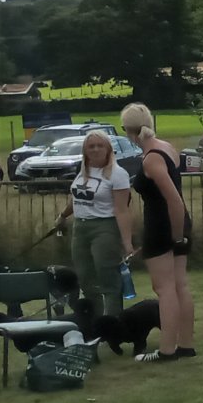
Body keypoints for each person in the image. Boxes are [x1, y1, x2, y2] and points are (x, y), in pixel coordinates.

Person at [121, 104, 195, 362]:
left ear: (127, 130)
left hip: (163, 226)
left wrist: (175, 236)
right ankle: (185, 344)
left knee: (164, 289)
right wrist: (181, 232)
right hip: (178, 223)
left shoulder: (151, 157)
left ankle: (167, 350)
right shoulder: (167, 147)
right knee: (179, 286)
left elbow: (173, 200)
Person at [62, 130, 134, 321]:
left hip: (105, 228)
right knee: (85, 278)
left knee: (107, 277)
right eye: (91, 146)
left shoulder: (118, 174)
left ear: (108, 149)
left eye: (99, 145)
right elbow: (77, 198)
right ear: (85, 150)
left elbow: (122, 210)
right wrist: (62, 216)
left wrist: (127, 243)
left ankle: (113, 324)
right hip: (80, 227)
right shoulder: (83, 169)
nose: (95, 149)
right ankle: (94, 321)